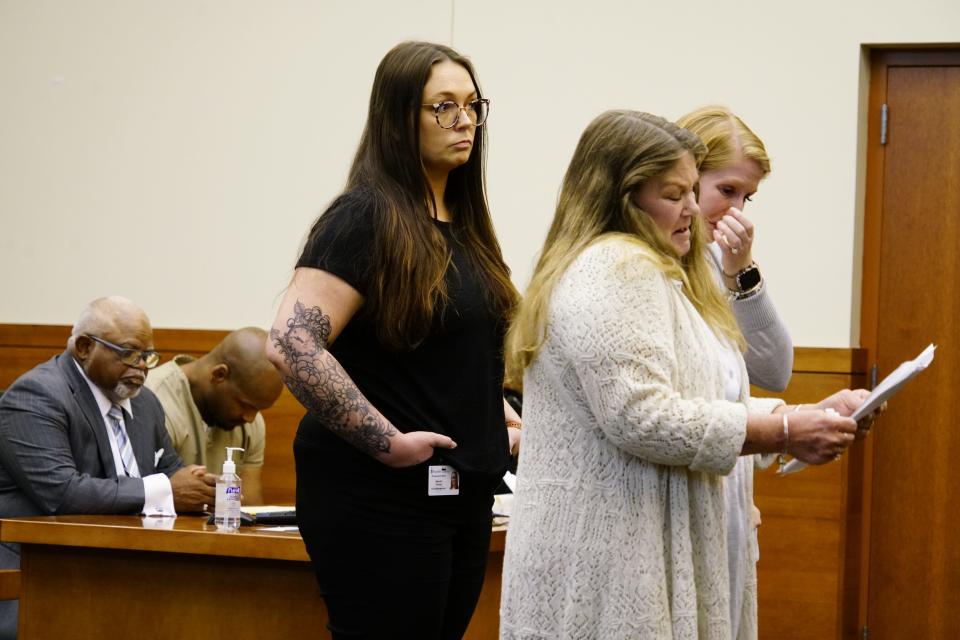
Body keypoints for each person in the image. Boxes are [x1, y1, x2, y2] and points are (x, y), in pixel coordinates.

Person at [499, 111, 870, 640]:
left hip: (649, 542)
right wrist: (784, 432)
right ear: (623, 197)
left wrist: (799, 414)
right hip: (613, 556)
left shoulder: (660, 272)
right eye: (676, 195)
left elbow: (700, 394)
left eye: (695, 191)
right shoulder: (614, 269)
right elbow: (643, 416)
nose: (696, 212)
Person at [265, 41, 520, 640]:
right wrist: (387, 443)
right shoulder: (364, 216)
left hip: (462, 490)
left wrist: (498, 414)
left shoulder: (466, 222)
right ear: (398, 118)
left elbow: (447, 356)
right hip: (380, 493)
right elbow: (292, 342)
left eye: (473, 105)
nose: (464, 121)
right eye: (443, 107)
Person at [0, 296, 215, 639]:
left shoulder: (144, 403)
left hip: (120, 567)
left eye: (148, 356)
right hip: (39, 571)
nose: (143, 367)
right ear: (84, 347)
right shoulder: (37, 396)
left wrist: (205, 489)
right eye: (130, 353)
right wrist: (164, 491)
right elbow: (63, 494)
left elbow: (174, 473)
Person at [677, 105, 790, 637]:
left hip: (726, 503)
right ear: (685, 175)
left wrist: (741, 274)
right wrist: (781, 427)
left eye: (748, 198)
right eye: (727, 191)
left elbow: (776, 368)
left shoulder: (716, 264)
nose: (737, 210)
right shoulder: (653, 264)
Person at [145, 327, 283, 505]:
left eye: (258, 410)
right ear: (219, 375)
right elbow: (141, 502)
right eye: (245, 405)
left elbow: (249, 511)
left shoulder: (251, 421)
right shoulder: (153, 401)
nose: (250, 418)